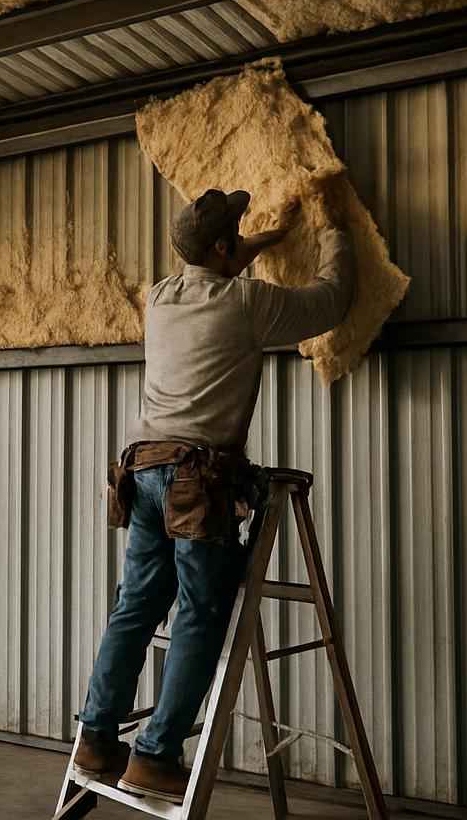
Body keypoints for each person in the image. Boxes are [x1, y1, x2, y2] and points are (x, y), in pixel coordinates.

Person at [72, 183, 354, 803]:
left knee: (137, 607)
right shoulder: (249, 305)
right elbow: (332, 301)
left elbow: (216, 265)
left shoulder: (161, 295)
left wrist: (267, 239)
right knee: (200, 612)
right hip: (195, 478)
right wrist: (331, 230)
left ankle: (96, 739)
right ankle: (154, 755)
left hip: (140, 469)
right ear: (226, 248)